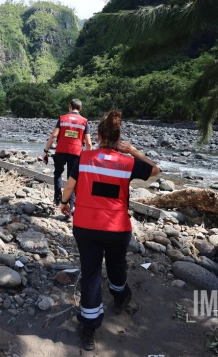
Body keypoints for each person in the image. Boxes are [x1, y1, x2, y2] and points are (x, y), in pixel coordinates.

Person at [59, 110, 160, 350]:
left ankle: (89, 329)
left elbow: (70, 185)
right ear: (119, 138)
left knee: (91, 273)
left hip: (85, 226)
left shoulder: (83, 158)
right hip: (116, 228)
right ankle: (120, 298)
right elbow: (155, 171)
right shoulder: (128, 162)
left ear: (98, 135)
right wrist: (134, 151)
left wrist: (64, 203)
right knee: (116, 265)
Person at [42, 99, 92, 212]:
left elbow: (54, 136)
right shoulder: (84, 121)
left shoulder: (62, 118)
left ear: (70, 107)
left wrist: (46, 150)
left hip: (61, 151)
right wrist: (89, 158)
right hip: (76, 152)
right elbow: (88, 143)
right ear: (80, 109)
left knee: (58, 173)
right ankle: (71, 205)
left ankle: (58, 198)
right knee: (72, 178)